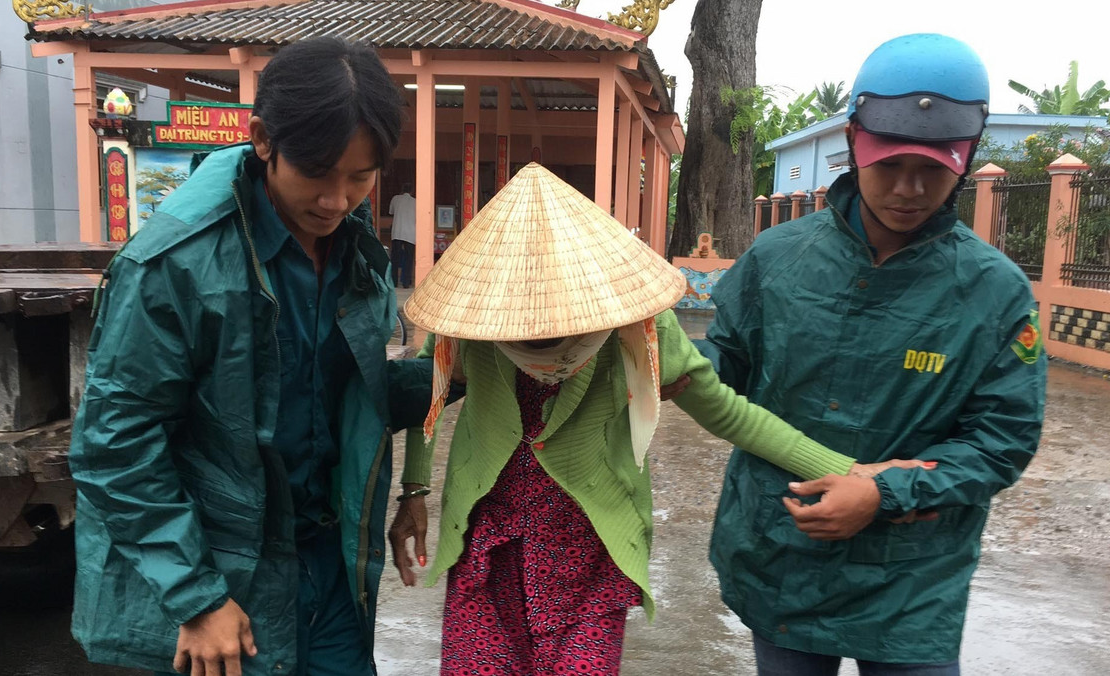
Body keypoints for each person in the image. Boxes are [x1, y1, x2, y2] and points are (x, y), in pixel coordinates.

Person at [386, 164, 926, 675]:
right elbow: (426, 398)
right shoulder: (470, 321)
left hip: (590, 551)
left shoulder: (642, 331)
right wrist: (414, 490)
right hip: (490, 544)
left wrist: (850, 470)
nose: (539, 335)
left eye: (559, 324)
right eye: (523, 328)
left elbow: (731, 414)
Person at [68, 37, 433, 676]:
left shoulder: (355, 254)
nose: (337, 200)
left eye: (360, 176)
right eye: (317, 173)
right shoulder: (174, 265)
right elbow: (114, 442)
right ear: (263, 139)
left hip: (328, 556)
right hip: (220, 569)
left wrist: (469, 370)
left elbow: (355, 396)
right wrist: (197, 596)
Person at [699, 33, 1048, 675]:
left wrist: (886, 490)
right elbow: (714, 378)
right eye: (890, 165)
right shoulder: (776, 261)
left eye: (933, 170)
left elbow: (1003, 441)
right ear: (856, 143)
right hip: (784, 555)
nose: (910, 189)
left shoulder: (994, 292)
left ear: (964, 159)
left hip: (912, 579)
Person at [388, 186, 416, 288]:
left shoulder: (395, 199)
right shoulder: (415, 202)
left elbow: (391, 212)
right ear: (411, 191)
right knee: (409, 258)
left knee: (395, 258)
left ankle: (394, 281)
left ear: (402, 190)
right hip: (410, 233)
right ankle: (406, 282)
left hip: (397, 232)